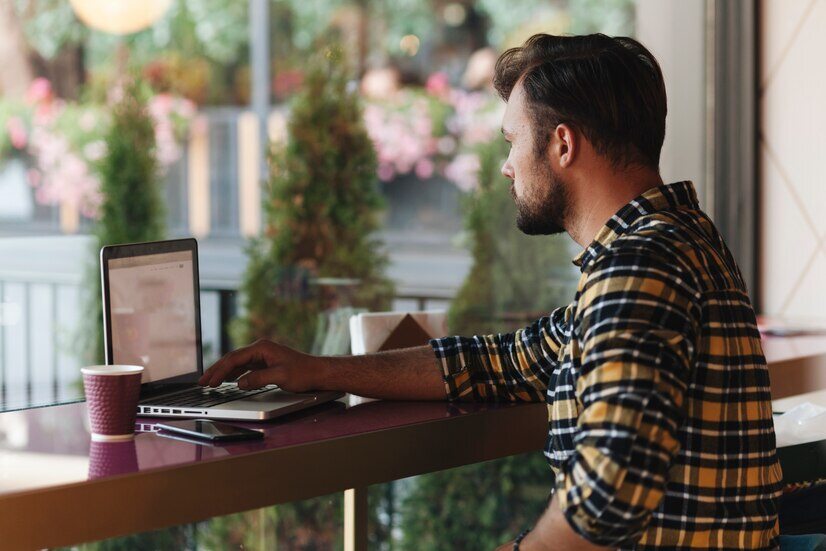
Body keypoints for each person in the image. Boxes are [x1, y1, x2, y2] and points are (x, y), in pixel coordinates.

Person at [200, 34, 783, 550]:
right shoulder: (677, 240)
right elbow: (505, 361)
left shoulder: (638, 264)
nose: (506, 166)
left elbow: (608, 494)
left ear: (562, 144)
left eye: (511, 140)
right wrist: (321, 370)